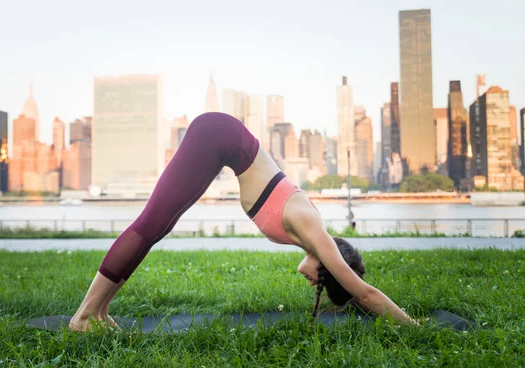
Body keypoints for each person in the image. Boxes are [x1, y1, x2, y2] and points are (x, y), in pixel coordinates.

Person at [69, 112, 417, 331]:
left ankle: (99, 312)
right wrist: (414, 325)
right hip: (218, 136)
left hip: (221, 142)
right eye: (324, 283)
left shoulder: (310, 233)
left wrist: (355, 300)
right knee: (149, 225)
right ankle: (84, 316)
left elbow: (359, 294)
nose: (315, 285)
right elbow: (366, 293)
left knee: (159, 227)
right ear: (329, 265)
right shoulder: (314, 231)